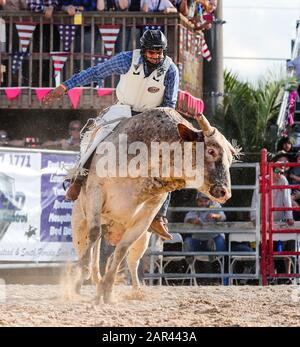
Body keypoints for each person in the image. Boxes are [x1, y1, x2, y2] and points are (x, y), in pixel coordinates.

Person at [42, 29, 179, 240]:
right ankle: (79, 179)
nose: (156, 56)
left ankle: (159, 216)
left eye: (159, 52)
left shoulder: (171, 70)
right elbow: (96, 72)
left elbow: (170, 104)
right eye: (151, 52)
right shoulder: (127, 59)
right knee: (96, 136)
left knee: (169, 157)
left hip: (153, 116)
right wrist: (65, 86)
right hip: (123, 109)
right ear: (143, 51)